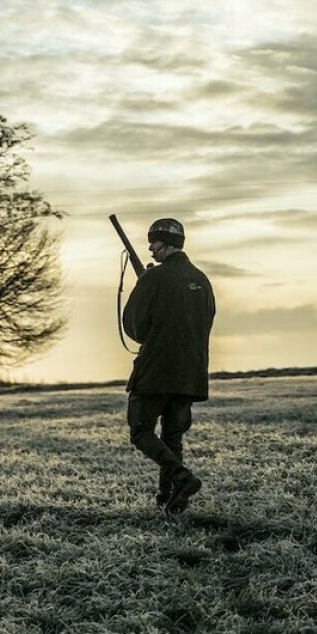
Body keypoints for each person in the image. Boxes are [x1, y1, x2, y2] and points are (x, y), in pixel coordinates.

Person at [121, 218, 215, 514]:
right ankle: (168, 498)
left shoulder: (154, 278)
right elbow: (205, 322)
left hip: (156, 369)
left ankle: (182, 478)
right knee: (172, 437)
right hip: (191, 372)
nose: (150, 248)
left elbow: (135, 328)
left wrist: (144, 286)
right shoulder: (202, 280)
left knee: (141, 431)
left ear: (166, 243)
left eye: (154, 242)